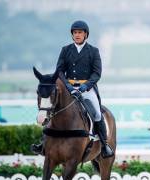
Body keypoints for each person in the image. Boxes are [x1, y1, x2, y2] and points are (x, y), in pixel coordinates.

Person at [31, 20, 114, 158]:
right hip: (67, 88)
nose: (77, 35)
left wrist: (85, 86)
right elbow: (60, 71)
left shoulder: (93, 51)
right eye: (75, 33)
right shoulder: (66, 50)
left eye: (80, 32)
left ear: (85, 34)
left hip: (87, 88)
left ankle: (104, 145)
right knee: (52, 109)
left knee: (97, 114)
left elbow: (97, 73)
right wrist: (68, 86)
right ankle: (43, 144)